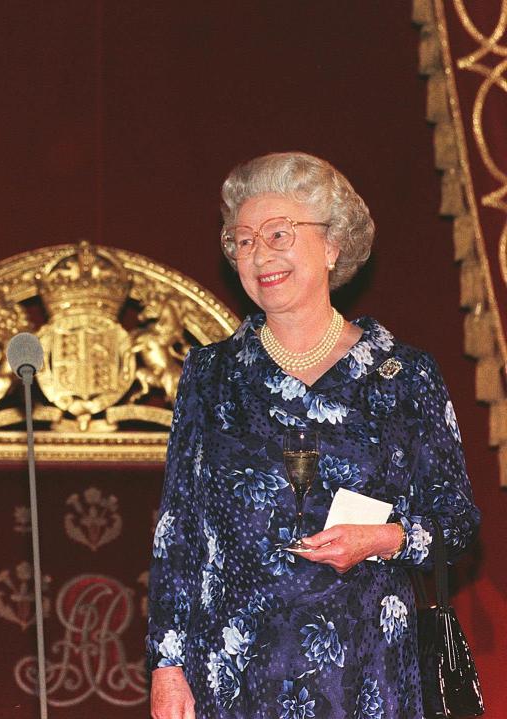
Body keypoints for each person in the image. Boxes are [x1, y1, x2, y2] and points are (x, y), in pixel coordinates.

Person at [146, 152, 480, 719]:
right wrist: (167, 668)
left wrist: (382, 541)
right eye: (243, 240)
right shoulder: (211, 375)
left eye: (279, 234)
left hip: (367, 669)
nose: (260, 254)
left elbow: (458, 524)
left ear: (331, 247)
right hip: (234, 673)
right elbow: (179, 531)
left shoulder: (404, 376)